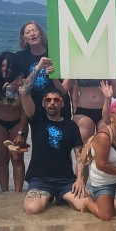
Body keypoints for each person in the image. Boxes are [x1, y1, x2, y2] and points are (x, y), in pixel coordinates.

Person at [17, 62, 89, 215]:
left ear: (62, 103)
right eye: (48, 100)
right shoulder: (36, 118)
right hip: (40, 180)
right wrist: (38, 67)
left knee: (84, 207)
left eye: (56, 100)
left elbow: (80, 155)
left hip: (66, 180)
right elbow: (23, 91)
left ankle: (62, 197)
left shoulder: (71, 126)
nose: (52, 103)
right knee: (32, 209)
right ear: (43, 103)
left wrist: (80, 179)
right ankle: (50, 196)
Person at [0, 52, 28, 193]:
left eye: (9, 66)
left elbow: (25, 109)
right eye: (3, 66)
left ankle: (18, 192)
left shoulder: (22, 83)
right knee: (2, 157)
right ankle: (4, 192)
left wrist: (21, 132)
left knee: (17, 157)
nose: (5, 69)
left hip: (18, 122)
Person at [13, 21, 64, 102]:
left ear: (40, 33)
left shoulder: (55, 52)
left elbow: (67, 86)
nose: (32, 33)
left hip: (57, 105)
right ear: (23, 38)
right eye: (28, 32)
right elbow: (21, 89)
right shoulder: (20, 57)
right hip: (35, 107)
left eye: (35, 30)